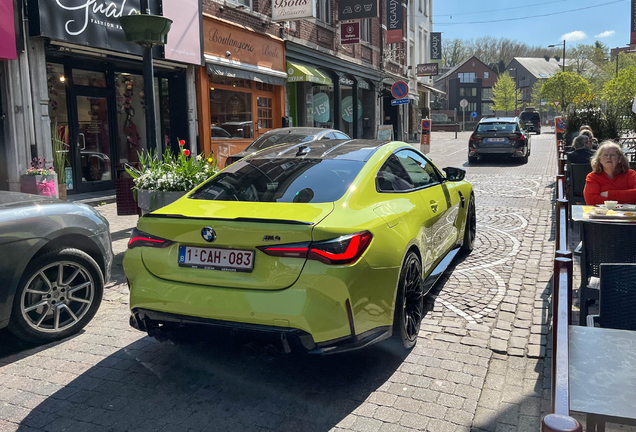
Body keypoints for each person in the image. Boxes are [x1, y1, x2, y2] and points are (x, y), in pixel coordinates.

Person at [584, 141, 636, 205]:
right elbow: (591, 200)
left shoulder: (630, 174)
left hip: (627, 214)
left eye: (613, 155)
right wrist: (622, 203)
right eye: (605, 155)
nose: (608, 157)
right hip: (601, 214)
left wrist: (608, 194)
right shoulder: (592, 177)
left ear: (619, 159)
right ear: (599, 159)